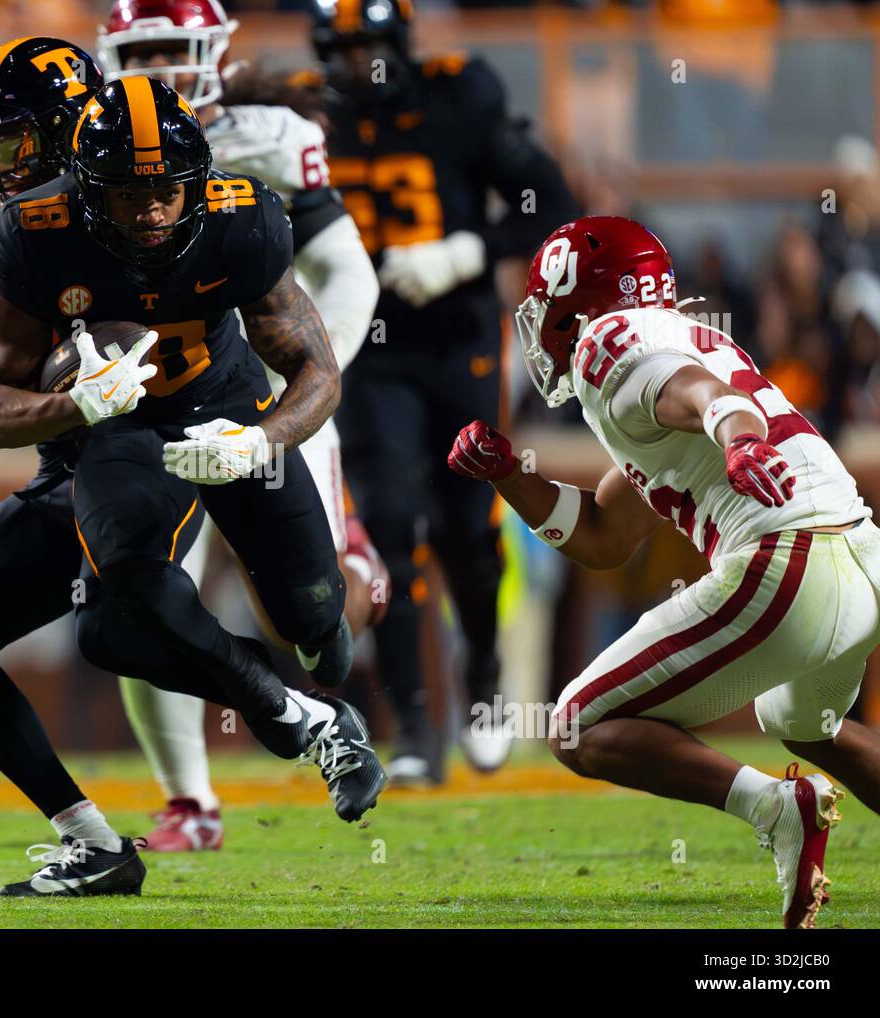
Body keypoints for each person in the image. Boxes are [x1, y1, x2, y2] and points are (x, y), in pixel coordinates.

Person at [0, 76, 386, 897]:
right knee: (127, 585)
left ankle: (321, 681)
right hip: (123, 427)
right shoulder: (35, 232)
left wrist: (258, 440)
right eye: (128, 195)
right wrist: (71, 404)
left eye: (167, 191)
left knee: (315, 617)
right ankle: (304, 721)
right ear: (87, 192)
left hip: (231, 411)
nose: (153, 211)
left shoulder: (243, 217)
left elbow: (317, 373)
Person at [448, 215, 879, 929]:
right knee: (804, 720)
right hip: (858, 560)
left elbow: (707, 397)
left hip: (791, 560)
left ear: (576, 300)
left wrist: (738, 440)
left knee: (579, 727)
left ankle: (776, 808)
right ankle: (787, 799)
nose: (541, 329)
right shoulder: (668, 336)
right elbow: (607, 534)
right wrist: (510, 478)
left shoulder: (605, 344)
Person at [94, 0, 384, 850]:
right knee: (150, 589)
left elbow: (347, 272)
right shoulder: (91, 149)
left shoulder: (269, 137)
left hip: (262, 402)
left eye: (169, 51)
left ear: (212, 53)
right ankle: (190, 801)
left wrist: (299, 387)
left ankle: (335, 614)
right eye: (137, 52)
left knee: (318, 604)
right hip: (157, 402)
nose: (152, 70)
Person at [309, 0, 581, 781]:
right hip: (366, 350)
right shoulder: (310, 121)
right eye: (343, 50)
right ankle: (414, 729)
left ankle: (486, 682)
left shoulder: (457, 97)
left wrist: (466, 252)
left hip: (458, 342)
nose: (357, 66)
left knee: (467, 525)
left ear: (398, 45)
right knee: (391, 525)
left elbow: (551, 206)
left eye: (369, 48)